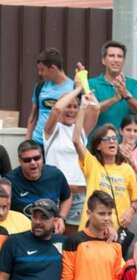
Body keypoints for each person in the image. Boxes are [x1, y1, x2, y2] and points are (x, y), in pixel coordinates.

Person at [72, 96, 137, 231]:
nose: (112, 141)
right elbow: (76, 140)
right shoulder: (93, 164)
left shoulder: (126, 169)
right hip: (92, 230)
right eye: (107, 139)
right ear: (98, 146)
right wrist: (83, 107)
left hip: (117, 232)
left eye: (114, 138)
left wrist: (131, 211)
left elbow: (136, 199)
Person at [43, 85, 96, 234]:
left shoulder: (80, 130)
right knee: (52, 237)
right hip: (56, 195)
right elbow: (56, 109)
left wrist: (86, 88)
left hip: (79, 195)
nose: (71, 110)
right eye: (68, 105)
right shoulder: (52, 129)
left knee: (74, 240)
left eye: (75, 106)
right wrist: (78, 88)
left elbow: (96, 109)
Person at [6, 141, 71, 232]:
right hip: (22, 233)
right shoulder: (9, 182)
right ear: (20, 161)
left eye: (37, 158)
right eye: (27, 160)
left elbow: (67, 197)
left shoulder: (55, 175)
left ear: (42, 157)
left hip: (50, 232)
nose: (33, 162)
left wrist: (61, 218)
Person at [88, 40, 137, 131]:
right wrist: (115, 99)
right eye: (111, 56)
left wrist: (125, 94)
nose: (116, 60)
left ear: (124, 61)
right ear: (103, 60)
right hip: (97, 139)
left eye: (120, 56)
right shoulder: (91, 84)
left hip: (125, 140)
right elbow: (89, 112)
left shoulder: (133, 84)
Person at [26, 48, 75, 147]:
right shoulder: (40, 87)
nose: (40, 73)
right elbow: (33, 115)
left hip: (59, 144)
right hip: (38, 142)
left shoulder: (74, 88)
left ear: (53, 68)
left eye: (42, 70)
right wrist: (27, 140)